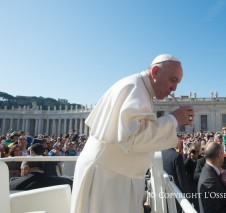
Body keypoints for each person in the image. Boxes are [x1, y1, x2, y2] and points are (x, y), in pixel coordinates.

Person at [71, 54, 194, 213]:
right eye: (172, 80)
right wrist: (173, 119)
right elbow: (132, 138)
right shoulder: (135, 88)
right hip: (108, 177)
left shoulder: (142, 89)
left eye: (177, 82)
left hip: (116, 175)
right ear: (155, 71)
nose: (175, 88)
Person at [198, 142, 226, 213]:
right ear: (219, 155)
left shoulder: (208, 170)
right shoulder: (210, 181)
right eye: (223, 153)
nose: (224, 156)